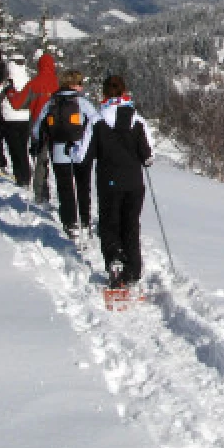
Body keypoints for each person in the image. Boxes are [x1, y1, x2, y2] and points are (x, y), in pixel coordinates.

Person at [73, 75, 154, 289]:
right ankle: (134, 269)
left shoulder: (98, 120)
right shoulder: (137, 120)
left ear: (104, 94)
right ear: (125, 92)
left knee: (110, 224)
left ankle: (115, 263)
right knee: (131, 225)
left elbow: (82, 156)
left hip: (109, 181)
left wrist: (72, 150)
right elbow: (148, 155)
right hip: (135, 183)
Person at [34, 69, 98, 239]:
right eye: (80, 83)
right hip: (80, 150)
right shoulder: (82, 103)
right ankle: (84, 220)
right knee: (83, 186)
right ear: (75, 85)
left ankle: (70, 222)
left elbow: (37, 128)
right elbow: (97, 123)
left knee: (65, 187)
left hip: (58, 150)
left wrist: (39, 143)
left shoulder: (51, 102)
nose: (82, 86)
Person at [5, 51, 59, 203]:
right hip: (58, 130)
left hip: (38, 129)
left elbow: (17, 103)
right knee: (60, 166)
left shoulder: (34, 84)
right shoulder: (58, 84)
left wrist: (10, 91)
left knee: (41, 164)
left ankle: (41, 195)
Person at [0, 53, 33, 186]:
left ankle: (20, 176)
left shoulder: (7, 81)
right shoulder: (28, 79)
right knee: (23, 148)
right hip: (26, 118)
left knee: (14, 148)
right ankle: (26, 176)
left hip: (10, 118)